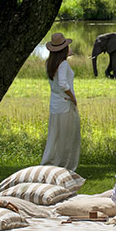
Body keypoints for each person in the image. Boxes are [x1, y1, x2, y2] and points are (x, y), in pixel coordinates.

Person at [41, 32, 81, 171]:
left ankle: (51, 161)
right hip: (65, 102)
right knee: (67, 136)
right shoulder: (62, 64)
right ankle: (64, 164)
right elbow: (63, 84)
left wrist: (66, 54)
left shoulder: (50, 62)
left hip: (55, 103)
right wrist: (73, 97)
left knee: (55, 134)